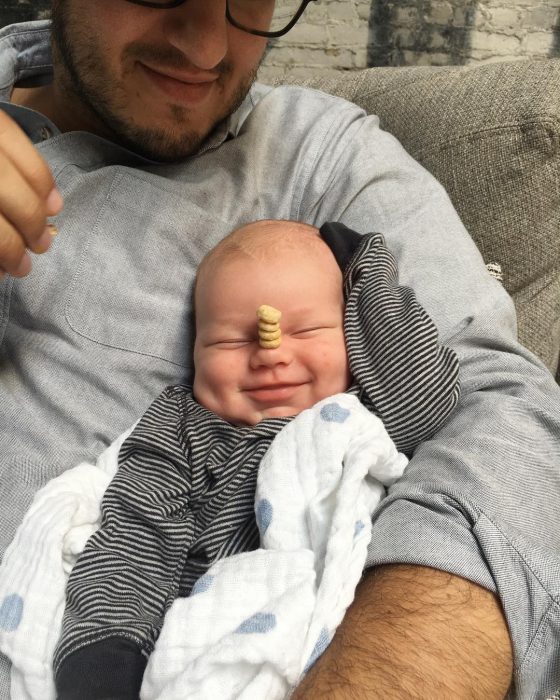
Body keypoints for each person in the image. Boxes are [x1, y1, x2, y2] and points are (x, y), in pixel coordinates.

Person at [0, 1, 559, 697]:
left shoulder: (321, 155)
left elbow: (502, 409)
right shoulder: (176, 436)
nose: (207, 50)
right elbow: (139, 529)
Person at [44, 218, 458, 697]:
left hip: (359, 647)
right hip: (213, 638)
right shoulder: (186, 424)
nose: (271, 355)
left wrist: (367, 274)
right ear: (194, 349)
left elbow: (431, 405)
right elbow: (140, 530)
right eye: (231, 341)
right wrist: (102, 654)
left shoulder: (365, 403)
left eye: (305, 330)